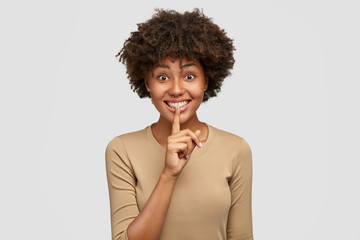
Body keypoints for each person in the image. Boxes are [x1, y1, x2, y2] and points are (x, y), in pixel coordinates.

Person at [105, 9, 253, 240]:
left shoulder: (236, 149)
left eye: (190, 76)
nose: (175, 89)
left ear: (206, 81)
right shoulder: (122, 150)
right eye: (162, 77)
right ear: (147, 83)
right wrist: (169, 174)